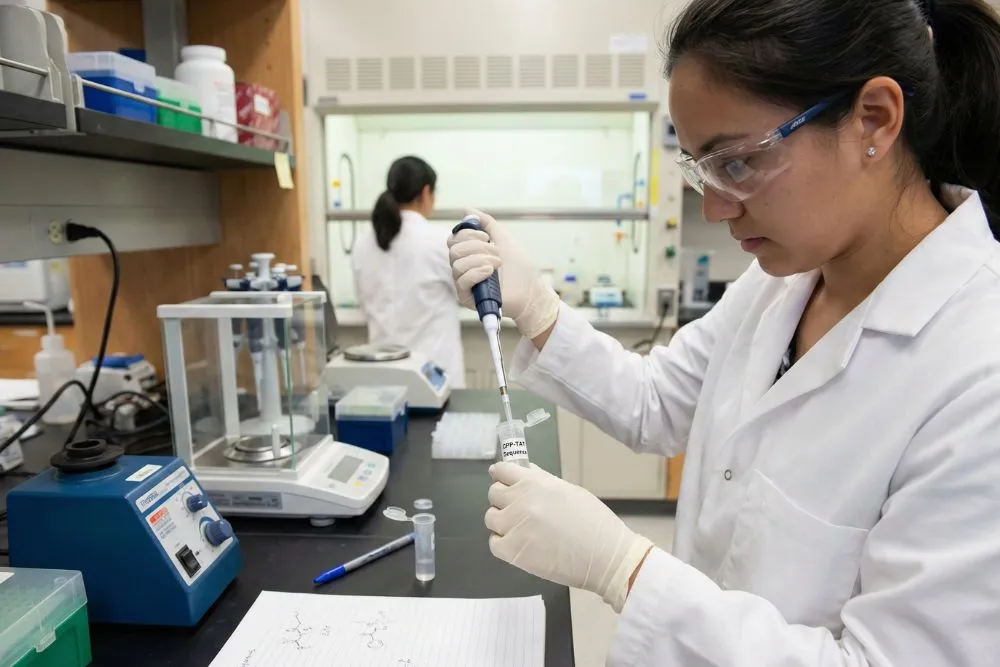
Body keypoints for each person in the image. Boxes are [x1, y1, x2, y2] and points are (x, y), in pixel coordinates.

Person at [448, 0, 1000, 664]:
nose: (714, 206)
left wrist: (625, 568)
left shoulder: (978, 370)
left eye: (736, 163)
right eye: (700, 168)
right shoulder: (780, 282)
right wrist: (537, 307)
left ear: (873, 120)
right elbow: (655, 403)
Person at [353, 156, 465, 387]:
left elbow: (364, 304)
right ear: (426, 193)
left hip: (382, 380)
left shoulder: (363, 244)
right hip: (434, 381)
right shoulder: (440, 241)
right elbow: (468, 295)